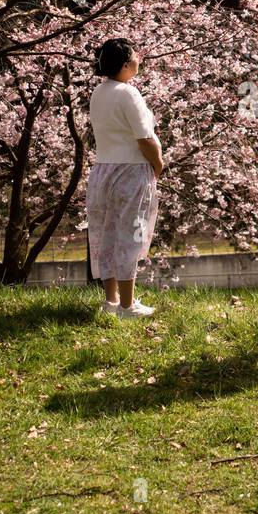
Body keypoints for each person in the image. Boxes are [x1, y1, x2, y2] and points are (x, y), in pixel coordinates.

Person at [86, 38, 164, 319]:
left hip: (103, 169)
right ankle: (128, 306)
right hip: (130, 170)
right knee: (131, 233)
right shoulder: (128, 93)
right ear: (125, 64)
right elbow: (144, 138)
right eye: (134, 55)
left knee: (105, 234)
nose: (138, 58)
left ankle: (111, 300)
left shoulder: (99, 92)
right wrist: (158, 164)